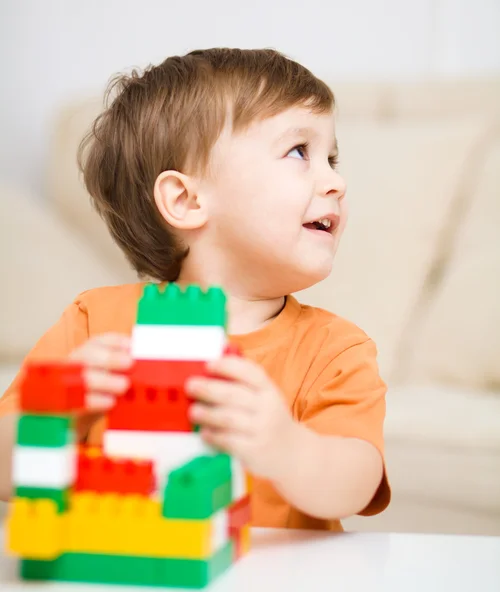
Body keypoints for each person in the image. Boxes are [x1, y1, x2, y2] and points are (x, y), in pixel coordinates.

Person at [0, 48, 390, 530]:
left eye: (331, 158)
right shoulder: (92, 323)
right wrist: (57, 417)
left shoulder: (335, 351)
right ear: (185, 200)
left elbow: (357, 483)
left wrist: (286, 448)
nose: (336, 181)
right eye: (298, 152)